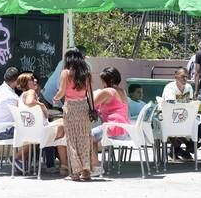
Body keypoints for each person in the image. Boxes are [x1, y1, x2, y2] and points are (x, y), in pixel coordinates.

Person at [17, 73, 68, 176]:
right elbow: (30, 101)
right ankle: (64, 165)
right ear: (26, 83)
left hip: (30, 131)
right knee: (63, 126)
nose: (35, 80)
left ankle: (60, 164)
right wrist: (42, 105)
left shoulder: (22, 95)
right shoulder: (30, 92)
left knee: (63, 122)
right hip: (40, 132)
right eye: (32, 79)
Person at [53, 48, 93, 181]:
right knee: (84, 139)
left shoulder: (65, 73)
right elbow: (90, 94)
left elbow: (62, 92)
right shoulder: (86, 74)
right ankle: (86, 171)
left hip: (71, 107)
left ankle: (75, 172)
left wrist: (56, 98)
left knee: (72, 140)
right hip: (84, 107)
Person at [91, 67, 132, 177]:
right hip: (125, 129)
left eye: (103, 80)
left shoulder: (108, 91)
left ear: (109, 81)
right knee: (92, 136)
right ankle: (94, 165)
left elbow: (90, 105)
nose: (102, 83)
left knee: (87, 136)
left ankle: (95, 167)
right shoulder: (122, 91)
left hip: (113, 127)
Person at [161, 67, 195, 160]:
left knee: (195, 123)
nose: (185, 79)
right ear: (176, 77)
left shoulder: (188, 87)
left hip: (183, 116)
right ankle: (186, 146)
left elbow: (190, 102)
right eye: (182, 77)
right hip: (169, 117)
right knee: (178, 124)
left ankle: (180, 149)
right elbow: (171, 105)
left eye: (186, 77)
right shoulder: (170, 87)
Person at [0, 67, 20, 142]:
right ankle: (20, 154)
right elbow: (21, 113)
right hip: (4, 132)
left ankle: (24, 154)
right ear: (17, 80)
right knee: (31, 132)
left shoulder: (2, 88)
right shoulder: (10, 96)